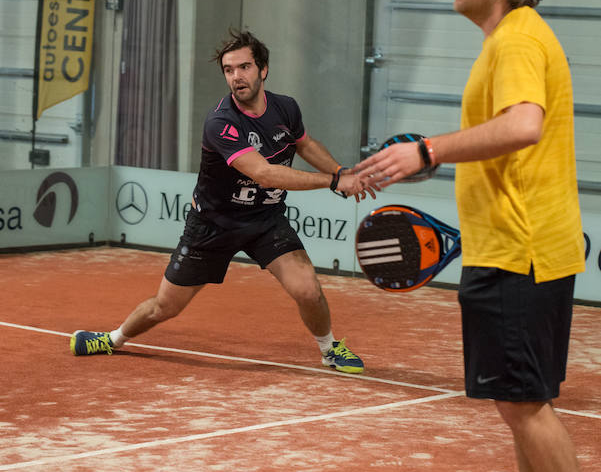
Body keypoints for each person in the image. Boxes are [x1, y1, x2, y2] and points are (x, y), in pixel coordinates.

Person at [354, 0, 601, 472]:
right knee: (518, 394)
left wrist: (427, 151)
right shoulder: (507, 41)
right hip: (518, 245)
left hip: (519, 252)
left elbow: (523, 125)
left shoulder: (517, 39)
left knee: (523, 401)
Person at [71, 29, 374, 374]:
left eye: (244, 67)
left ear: (263, 69)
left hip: (265, 221)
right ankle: (113, 339)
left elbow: (303, 144)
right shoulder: (222, 122)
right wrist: (335, 182)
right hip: (213, 226)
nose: (236, 77)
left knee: (308, 289)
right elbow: (265, 174)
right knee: (165, 307)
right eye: (229, 70)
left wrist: (340, 169)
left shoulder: (286, 108)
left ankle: (330, 349)